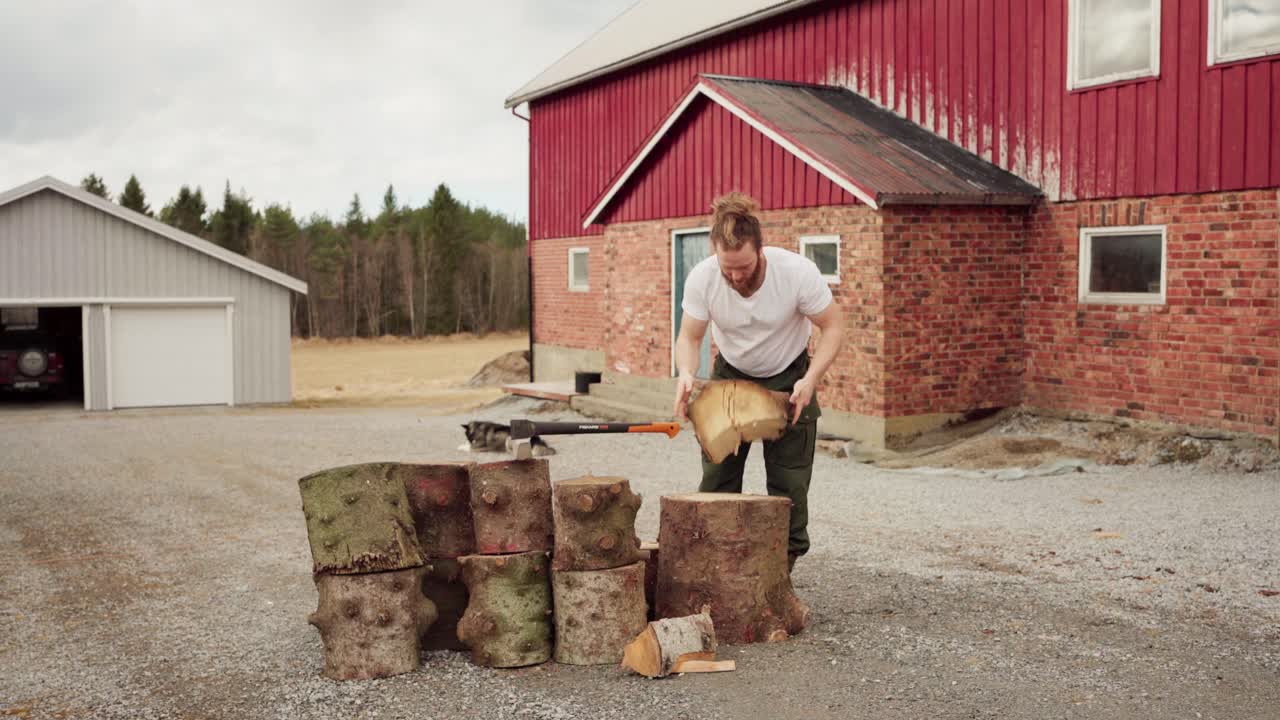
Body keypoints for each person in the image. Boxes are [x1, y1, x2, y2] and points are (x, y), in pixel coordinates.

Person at [672, 192, 845, 571]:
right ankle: (715, 569)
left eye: (744, 267)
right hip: (730, 377)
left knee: (789, 486)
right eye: (727, 268)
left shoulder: (796, 273)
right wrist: (686, 373)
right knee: (717, 479)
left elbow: (833, 326)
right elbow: (689, 337)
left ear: (760, 250)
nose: (735, 277)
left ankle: (779, 573)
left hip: (789, 378)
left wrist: (811, 378)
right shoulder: (703, 277)